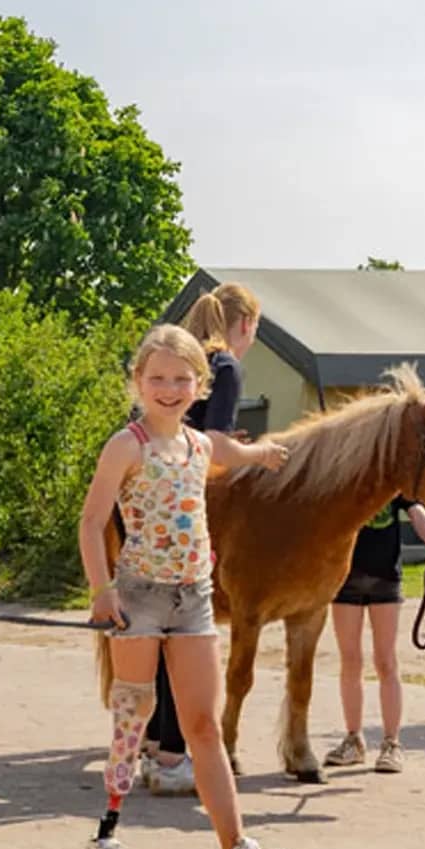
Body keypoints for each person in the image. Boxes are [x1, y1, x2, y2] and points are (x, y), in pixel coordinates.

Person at [79, 324, 296, 849]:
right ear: (138, 382)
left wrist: (264, 453)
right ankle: (104, 840)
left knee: (203, 725)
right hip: (139, 598)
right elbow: (91, 520)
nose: (169, 388)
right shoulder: (127, 445)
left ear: (200, 385)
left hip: (194, 598)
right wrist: (103, 592)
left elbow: (232, 450)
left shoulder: (198, 445)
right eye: (157, 378)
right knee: (134, 718)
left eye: (181, 379)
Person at [140, 282, 268, 797]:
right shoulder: (227, 367)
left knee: (152, 630)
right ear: (246, 324)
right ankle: (174, 756)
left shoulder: (182, 362)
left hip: (146, 504)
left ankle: (152, 743)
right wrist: (262, 453)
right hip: (185, 511)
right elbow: (213, 447)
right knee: (185, 633)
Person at [324, 496, 425, 774]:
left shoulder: (393, 481)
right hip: (344, 580)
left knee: (386, 661)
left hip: (386, 580)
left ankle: (392, 743)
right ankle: (353, 740)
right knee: (350, 660)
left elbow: (416, 511)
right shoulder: (349, 479)